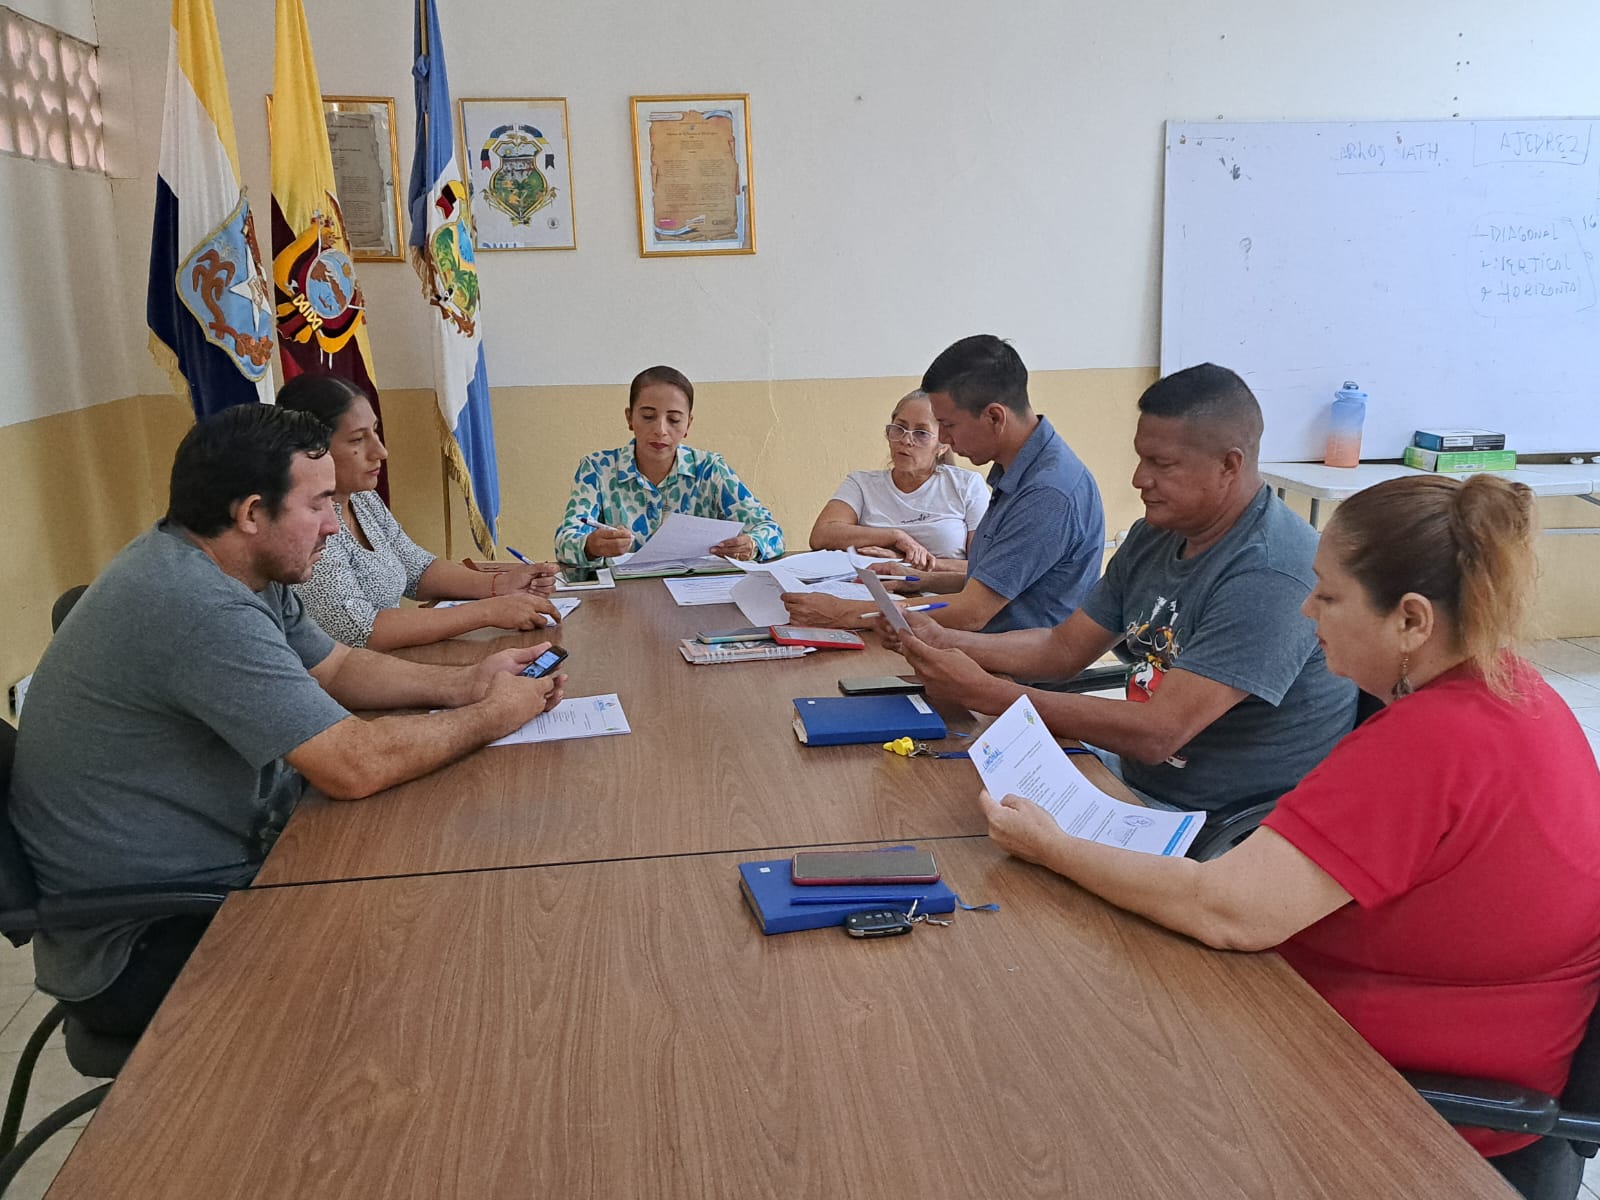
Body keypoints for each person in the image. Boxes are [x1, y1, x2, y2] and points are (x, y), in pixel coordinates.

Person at [973, 472, 1600, 1200]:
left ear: (1411, 620)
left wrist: (1051, 845)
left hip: (1407, 1116)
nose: (1307, 610)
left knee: (1060, 1064)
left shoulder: (1434, 742)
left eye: (1328, 596)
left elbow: (1226, 910)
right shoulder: (1513, 688)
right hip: (1418, 1052)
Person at [7, 405, 567, 1037]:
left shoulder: (240, 564)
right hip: (149, 939)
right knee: (433, 967)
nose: (334, 524)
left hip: (230, 865)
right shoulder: (196, 604)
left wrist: (466, 684)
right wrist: (490, 717)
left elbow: (337, 668)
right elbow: (352, 766)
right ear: (252, 512)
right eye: (319, 504)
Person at [893, 362, 1355, 814]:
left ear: (1228, 465)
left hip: (1214, 820)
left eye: (1161, 464)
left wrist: (990, 694)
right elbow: (1061, 648)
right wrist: (945, 640)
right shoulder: (1156, 534)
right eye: (1140, 457)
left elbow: (1158, 733)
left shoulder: (1270, 572)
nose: (1139, 479)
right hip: (1132, 777)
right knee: (937, 789)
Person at [790, 336, 1104, 633]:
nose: (944, 439)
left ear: (994, 418)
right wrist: (913, 578)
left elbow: (972, 611)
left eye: (948, 425)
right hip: (979, 643)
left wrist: (845, 612)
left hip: (1011, 661)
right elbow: (987, 580)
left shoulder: (1046, 493)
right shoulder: (1020, 469)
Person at [277, 374, 560, 650]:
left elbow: (418, 570)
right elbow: (360, 631)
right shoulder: (306, 523)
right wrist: (488, 611)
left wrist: (501, 584)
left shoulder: (363, 499)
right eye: (357, 440)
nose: (381, 451)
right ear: (313, 450)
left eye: (375, 431)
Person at [553, 365, 784, 565]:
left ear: (688, 424)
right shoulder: (597, 469)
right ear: (629, 418)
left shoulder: (709, 469)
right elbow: (565, 540)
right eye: (648, 416)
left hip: (695, 594)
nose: (660, 430)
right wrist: (590, 546)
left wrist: (752, 545)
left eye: (674, 420)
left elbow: (771, 530)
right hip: (620, 595)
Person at [809, 389, 990, 570]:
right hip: (870, 585)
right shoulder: (861, 484)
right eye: (899, 428)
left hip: (941, 587)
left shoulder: (966, 485)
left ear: (943, 445)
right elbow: (821, 535)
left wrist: (904, 562)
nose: (906, 440)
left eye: (921, 433)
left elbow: (985, 565)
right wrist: (895, 536)